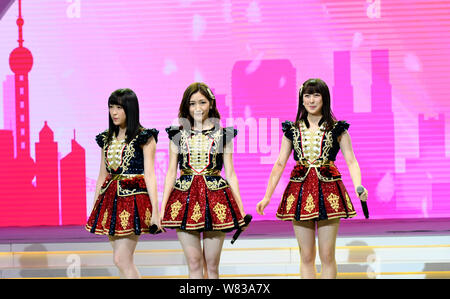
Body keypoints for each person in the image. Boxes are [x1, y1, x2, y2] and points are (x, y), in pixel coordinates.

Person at [256, 78, 368, 279]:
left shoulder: (338, 129)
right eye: (307, 95)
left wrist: (359, 185)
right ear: (301, 99)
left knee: (327, 255)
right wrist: (267, 197)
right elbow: (280, 164)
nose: (311, 100)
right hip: (299, 192)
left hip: (329, 192)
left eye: (316, 95)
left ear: (325, 98)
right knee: (306, 255)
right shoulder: (292, 129)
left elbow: (351, 161)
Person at [161, 82, 247, 279]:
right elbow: (170, 173)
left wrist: (240, 208)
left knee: (212, 266)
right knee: (193, 263)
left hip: (216, 199)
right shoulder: (177, 134)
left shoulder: (223, 134)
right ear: (186, 106)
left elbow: (231, 173)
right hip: (183, 200)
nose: (197, 108)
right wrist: (162, 207)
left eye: (202, 102)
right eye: (192, 104)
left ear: (211, 104)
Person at [86, 88, 161, 278]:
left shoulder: (144, 136)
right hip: (110, 200)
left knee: (121, 259)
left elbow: (150, 175)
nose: (114, 112)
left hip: (133, 200)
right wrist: (95, 207)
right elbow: (102, 175)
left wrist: (156, 212)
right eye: (111, 107)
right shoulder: (106, 138)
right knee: (121, 262)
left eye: (119, 107)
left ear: (131, 109)